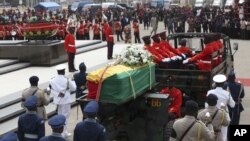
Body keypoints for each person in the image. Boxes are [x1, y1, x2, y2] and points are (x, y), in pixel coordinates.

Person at [49, 64, 76, 137]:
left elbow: (50, 89)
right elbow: (74, 88)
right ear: (64, 71)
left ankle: (59, 132)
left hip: (57, 100)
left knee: (59, 115)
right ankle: (64, 132)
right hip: (65, 100)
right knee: (65, 117)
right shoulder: (67, 80)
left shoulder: (52, 80)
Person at [207, 74, 235, 141]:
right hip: (223, 116)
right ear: (223, 84)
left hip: (211, 116)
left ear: (215, 83)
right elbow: (233, 105)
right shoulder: (226, 93)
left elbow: (206, 105)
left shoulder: (209, 92)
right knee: (223, 136)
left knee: (210, 135)